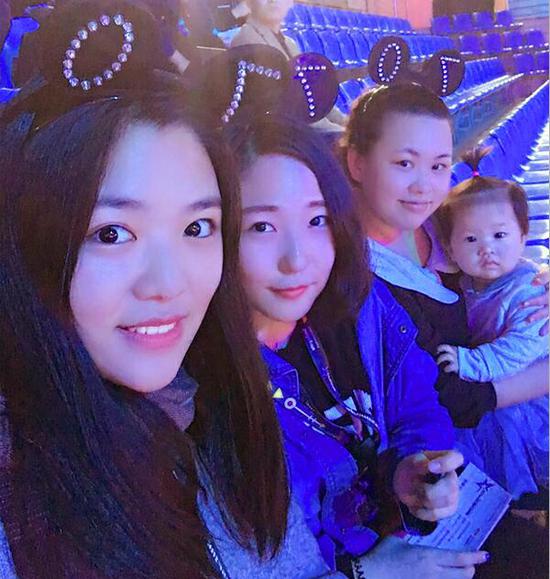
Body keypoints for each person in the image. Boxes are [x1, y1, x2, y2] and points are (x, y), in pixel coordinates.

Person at [0, 2, 345, 576]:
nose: (169, 284)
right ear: (27, 244)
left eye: (197, 227)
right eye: (112, 233)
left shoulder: (220, 404)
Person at [227, 117, 490, 579]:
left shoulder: (362, 304)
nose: (297, 258)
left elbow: (417, 401)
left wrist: (411, 468)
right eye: (262, 226)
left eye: (317, 220)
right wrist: (363, 573)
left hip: (405, 541)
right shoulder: (207, 394)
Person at [342, 82, 549, 431]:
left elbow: (503, 272)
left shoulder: (442, 222)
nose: (424, 187)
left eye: (439, 166)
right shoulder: (360, 279)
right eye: (405, 163)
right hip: (465, 433)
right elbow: (451, 398)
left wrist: (539, 282)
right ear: (357, 162)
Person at [435, 146, 548, 498]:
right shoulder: (466, 283)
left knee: (511, 454)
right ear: (450, 249)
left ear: (523, 237)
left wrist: (471, 361)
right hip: (497, 383)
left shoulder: (530, 290)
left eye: (500, 236)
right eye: (471, 239)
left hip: (523, 395)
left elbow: (520, 349)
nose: (487, 248)